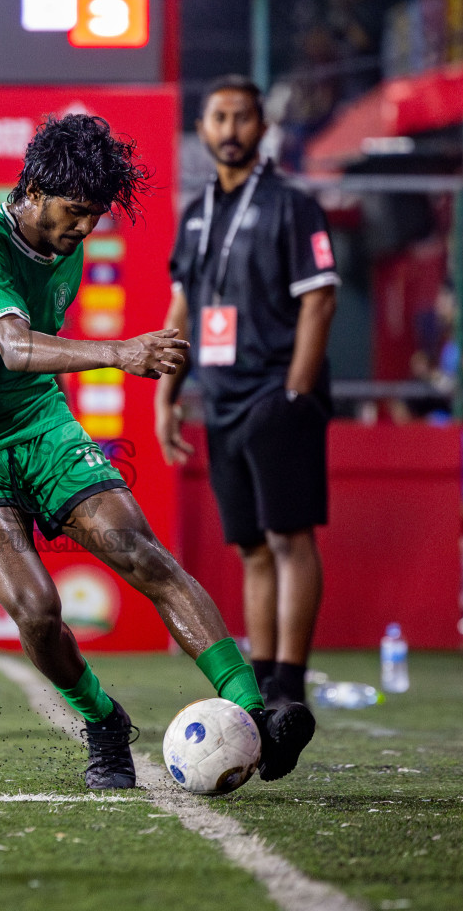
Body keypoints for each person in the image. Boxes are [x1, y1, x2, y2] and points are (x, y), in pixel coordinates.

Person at [0, 114, 316, 790]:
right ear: (32, 189)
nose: (86, 229)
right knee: (35, 609)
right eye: (75, 212)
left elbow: (30, 370)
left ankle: (254, 713)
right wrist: (121, 351)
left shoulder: (66, 245)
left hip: (37, 426)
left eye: (94, 215)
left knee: (139, 550)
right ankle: (103, 721)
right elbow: (16, 347)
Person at [154, 75, 339, 709]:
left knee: (290, 537)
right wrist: (167, 394)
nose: (230, 130)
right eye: (219, 118)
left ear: (262, 129)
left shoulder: (293, 204)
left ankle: (291, 678)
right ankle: (263, 677)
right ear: (202, 129)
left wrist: (294, 394)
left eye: (242, 118)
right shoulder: (197, 212)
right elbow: (182, 305)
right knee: (252, 546)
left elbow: (320, 299)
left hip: (276, 395)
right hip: (221, 398)